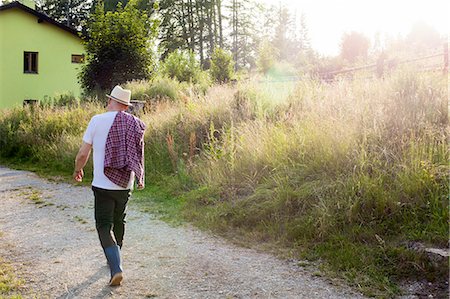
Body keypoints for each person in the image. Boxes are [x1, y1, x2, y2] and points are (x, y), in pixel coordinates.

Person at [73, 85, 146, 286]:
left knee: (104, 225)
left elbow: (83, 153)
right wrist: (140, 177)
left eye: (109, 100)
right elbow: (138, 155)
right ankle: (115, 257)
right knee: (119, 220)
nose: (107, 103)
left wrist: (78, 169)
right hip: (125, 184)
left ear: (114, 102)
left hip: (103, 183)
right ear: (126, 106)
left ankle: (116, 267)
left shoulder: (97, 120)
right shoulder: (136, 124)